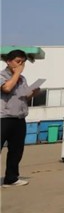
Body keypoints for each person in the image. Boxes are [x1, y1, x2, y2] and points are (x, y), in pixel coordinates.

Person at [1, 49, 40, 187]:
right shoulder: (2, 75)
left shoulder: (22, 79)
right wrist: (17, 73)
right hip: (3, 118)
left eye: (23, 62)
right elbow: (6, 88)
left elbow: (23, 97)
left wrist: (33, 93)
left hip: (19, 118)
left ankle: (11, 178)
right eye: (18, 61)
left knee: (16, 150)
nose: (21, 65)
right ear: (8, 62)